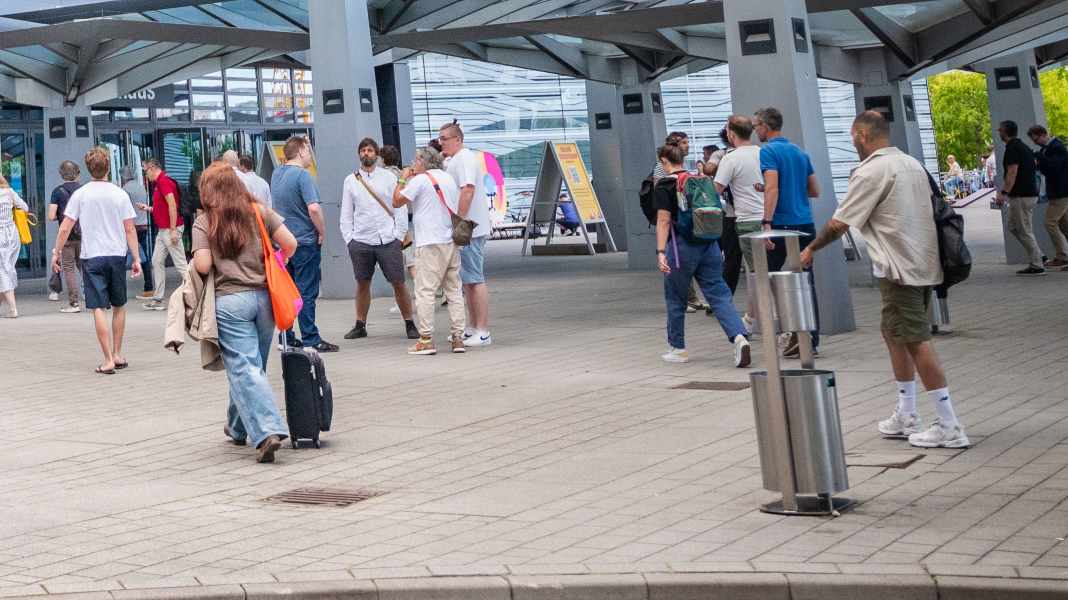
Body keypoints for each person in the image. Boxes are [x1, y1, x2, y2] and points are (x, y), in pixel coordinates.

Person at [800, 111, 968, 449]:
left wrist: (811, 249)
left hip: (898, 268)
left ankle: (949, 424)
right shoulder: (911, 163)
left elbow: (840, 223)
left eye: (852, 138)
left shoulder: (872, 170)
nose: (853, 144)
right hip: (922, 263)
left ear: (862, 135)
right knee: (893, 333)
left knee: (916, 339)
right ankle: (906, 413)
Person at [192, 162, 296, 463]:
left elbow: (202, 265)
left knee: (244, 368)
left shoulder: (205, 221)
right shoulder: (258, 210)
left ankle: (268, 431)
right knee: (252, 368)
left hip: (229, 303)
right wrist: (275, 261)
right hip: (265, 300)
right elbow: (291, 243)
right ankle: (237, 427)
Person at [654, 143, 751, 368]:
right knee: (718, 294)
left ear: (664, 161)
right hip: (709, 245)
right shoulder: (701, 180)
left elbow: (663, 220)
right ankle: (739, 336)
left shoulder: (666, 185)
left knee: (675, 296)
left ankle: (678, 348)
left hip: (681, 248)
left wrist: (661, 252)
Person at [51, 147, 142, 373]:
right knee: (119, 305)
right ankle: (118, 354)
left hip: (92, 257)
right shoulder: (119, 194)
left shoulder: (80, 195)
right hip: (116, 255)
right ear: (108, 168)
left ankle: (108, 359)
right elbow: (129, 229)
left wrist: (56, 252)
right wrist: (136, 258)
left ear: (89, 169)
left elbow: (65, 227)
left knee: (98, 307)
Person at [754, 106, 822, 357]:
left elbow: (772, 188)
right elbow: (815, 190)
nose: (755, 131)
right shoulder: (800, 152)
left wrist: (766, 221)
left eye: (756, 126)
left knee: (770, 278)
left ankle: (788, 331)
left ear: (765, 126)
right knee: (806, 281)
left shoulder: (768, 151)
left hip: (781, 225)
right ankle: (810, 340)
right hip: (805, 224)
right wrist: (790, 191)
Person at [340, 137, 418, 340]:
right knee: (362, 282)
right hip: (361, 240)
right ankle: (360, 324)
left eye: (370, 150)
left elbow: (398, 206)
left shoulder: (388, 177)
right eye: (363, 150)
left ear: (377, 155)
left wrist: (398, 235)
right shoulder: (351, 180)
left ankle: (410, 323)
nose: (366, 153)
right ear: (359, 154)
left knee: (398, 282)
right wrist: (349, 238)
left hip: (388, 238)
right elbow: (346, 214)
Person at [393, 146, 467, 355]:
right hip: (450, 240)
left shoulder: (420, 180)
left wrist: (402, 178)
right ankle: (458, 337)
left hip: (429, 242)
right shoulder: (448, 178)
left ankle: (426, 339)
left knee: (425, 291)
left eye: (416, 160)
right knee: (454, 290)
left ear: (422, 162)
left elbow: (397, 201)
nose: (413, 164)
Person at [272, 135, 338, 352]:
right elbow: (314, 208)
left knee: (288, 291)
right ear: (301, 151)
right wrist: (322, 231)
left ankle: (286, 336)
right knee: (306, 292)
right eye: (308, 151)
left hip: (283, 243)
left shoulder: (277, 174)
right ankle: (311, 339)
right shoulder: (303, 176)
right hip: (305, 242)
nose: (310, 155)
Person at [439, 122, 493, 347]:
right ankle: (473, 327)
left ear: (458, 140)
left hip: (471, 228)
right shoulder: (453, 161)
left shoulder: (465, 159)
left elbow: (467, 190)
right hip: (467, 228)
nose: (441, 142)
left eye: (445, 138)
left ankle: (482, 329)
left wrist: (459, 221)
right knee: (468, 280)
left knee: (474, 278)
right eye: (440, 138)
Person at [715, 115, 766, 274]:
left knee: (758, 273)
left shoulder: (730, 158)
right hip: (770, 219)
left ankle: (765, 299)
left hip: (747, 221)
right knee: (770, 269)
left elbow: (716, 189)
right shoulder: (763, 153)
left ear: (731, 134)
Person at [996, 120, 1045, 276]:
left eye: (1000, 130)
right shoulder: (1021, 146)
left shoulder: (1013, 149)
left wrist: (1003, 193)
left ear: (1005, 132)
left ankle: (1037, 264)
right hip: (1025, 194)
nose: (998, 132)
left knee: (1024, 230)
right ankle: (1039, 256)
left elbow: (1012, 172)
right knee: (1014, 227)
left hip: (1022, 196)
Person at [141, 158, 188, 310]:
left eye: (145, 170)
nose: (145, 174)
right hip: (164, 230)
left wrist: (174, 230)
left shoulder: (163, 182)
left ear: (153, 167)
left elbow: (172, 205)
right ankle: (158, 299)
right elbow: (163, 208)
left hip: (170, 230)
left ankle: (197, 295)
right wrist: (148, 208)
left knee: (181, 264)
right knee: (157, 261)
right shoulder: (159, 183)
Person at [1028, 125, 1068, 269]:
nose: (1036, 142)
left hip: (1061, 192)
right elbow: (1047, 169)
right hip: (1058, 192)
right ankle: (1063, 256)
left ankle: (1062, 256)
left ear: (1044, 134)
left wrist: (1038, 156)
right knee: (1065, 226)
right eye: (1034, 141)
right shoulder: (1047, 149)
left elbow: (1054, 167)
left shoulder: (1057, 147)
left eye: (1037, 139)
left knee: (1050, 223)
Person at [48, 160, 83, 311]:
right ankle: (95, 297)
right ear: (78, 173)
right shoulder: (84, 190)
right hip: (84, 235)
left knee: (68, 268)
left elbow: (51, 216)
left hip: (67, 235)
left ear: (62, 175)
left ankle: (74, 303)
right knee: (85, 267)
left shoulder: (57, 191)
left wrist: (61, 217)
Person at [122, 165, 154, 301]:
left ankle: (119, 288)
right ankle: (149, 286)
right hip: (144, 225)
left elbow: (124, 210)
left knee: (123, 258)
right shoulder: (141, 187)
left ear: (123, 177)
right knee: (144, 257)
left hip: (133, 227)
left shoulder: (125, 190)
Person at [0, 175, 30, 318]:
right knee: (7, 268)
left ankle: (13, 309)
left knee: (3, 271)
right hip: (13, 234)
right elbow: (25, 208)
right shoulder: (9, 192)